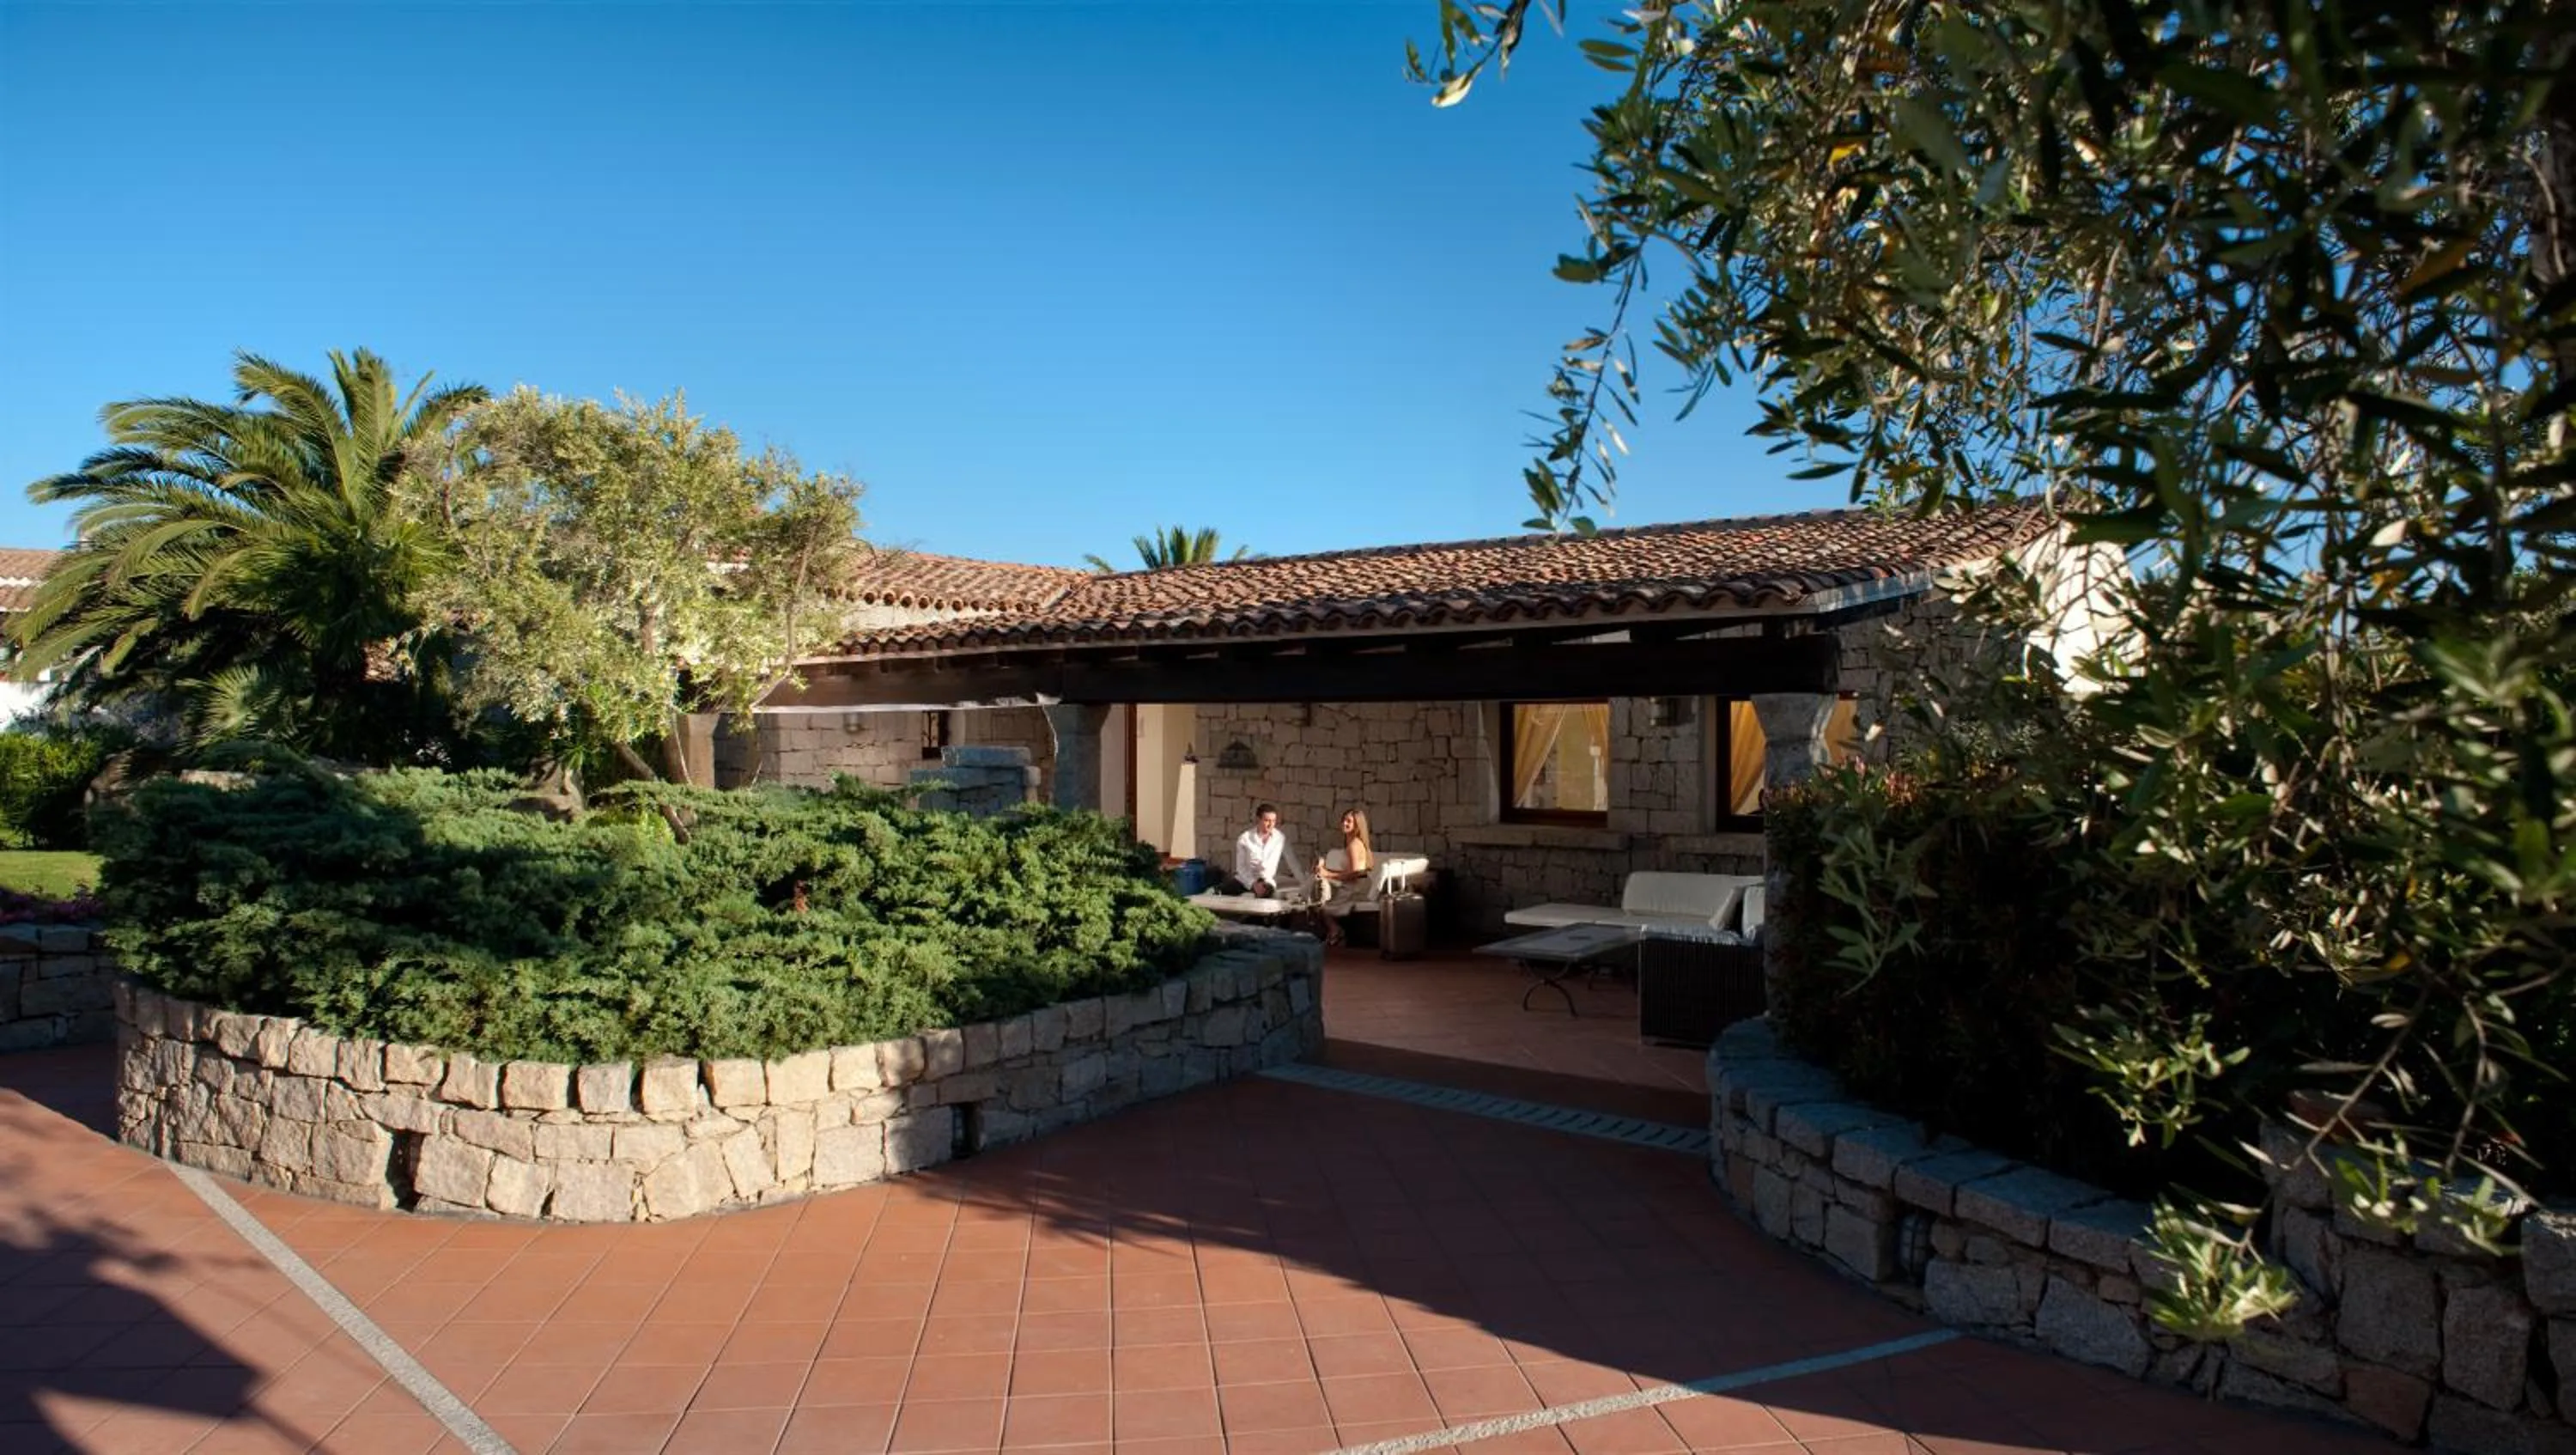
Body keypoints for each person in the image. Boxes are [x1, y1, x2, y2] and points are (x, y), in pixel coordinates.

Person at [1309, 807, 1375, 947]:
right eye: (1343, 820)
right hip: (1354, 885)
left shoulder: (1354, 845)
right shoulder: (1353, 843)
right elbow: (1350, 871)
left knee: (1321, 909)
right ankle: (1335, 934)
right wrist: (1325, 870)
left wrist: (1327, 874)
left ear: (1357, 826)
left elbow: (1355, 873)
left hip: (1355, 888)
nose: (1344, 823)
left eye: (1349, 821)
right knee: (1321, 899)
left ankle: (1336, 932)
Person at [1219, 803, 1301, 898]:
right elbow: (1241, 868)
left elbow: (1293, 862)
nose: (1270, 824)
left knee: (1268, 893)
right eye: (1267, 821)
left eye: (1273, 821)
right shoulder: (1245, 838)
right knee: (1222, 891)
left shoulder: (1280, 838)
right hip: (1246, 881)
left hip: (1267, 882)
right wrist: (1253, 884)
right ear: (1258, 820)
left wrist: (1304, 884)